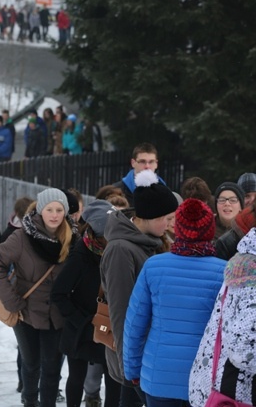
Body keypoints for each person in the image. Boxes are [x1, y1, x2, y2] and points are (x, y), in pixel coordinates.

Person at [123, 198, 225, 407]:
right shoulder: (224, 272)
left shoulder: (154, 266)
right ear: (210, 230)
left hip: (158, 374)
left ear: (178, 228)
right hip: (205, 378)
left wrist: (132, 370)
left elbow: (135, 325)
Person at [0, 188, 74, 407]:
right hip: (26, 311)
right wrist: (10, 300)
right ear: (40, 210)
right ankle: (29, 400)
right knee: (31, 362)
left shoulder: (72, 238)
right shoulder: (22, 236)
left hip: (56, 315)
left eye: (59, 210)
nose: (54, 215)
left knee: (52, 366)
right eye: (49, 209)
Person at [100, 170, 179, 406]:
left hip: (150, 353)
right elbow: (121, 311)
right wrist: (129, 368)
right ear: (147, 216)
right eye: (166, 218)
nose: (169, 224)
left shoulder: (154, 241)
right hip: (134, 359)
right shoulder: (121, 250)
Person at [51, 200, 121, 407]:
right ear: (100, 231)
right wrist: (83, 320)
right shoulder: (81, 255)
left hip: (111, 325)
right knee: (76, 378)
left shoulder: (118, 251)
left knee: (114, 378)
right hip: (81, 331)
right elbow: (58, 294)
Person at [189, 228, 256, 407]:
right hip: (234, 393)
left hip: (219, 384)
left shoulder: (247, 260)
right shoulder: (251, 271)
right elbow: (244, 349)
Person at [112, 142, 165, 207]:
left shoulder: (164, 191)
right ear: (133, 163)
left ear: (156, 164)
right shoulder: (116, 191)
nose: (147, 166)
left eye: (151, 162)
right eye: (142, 161)